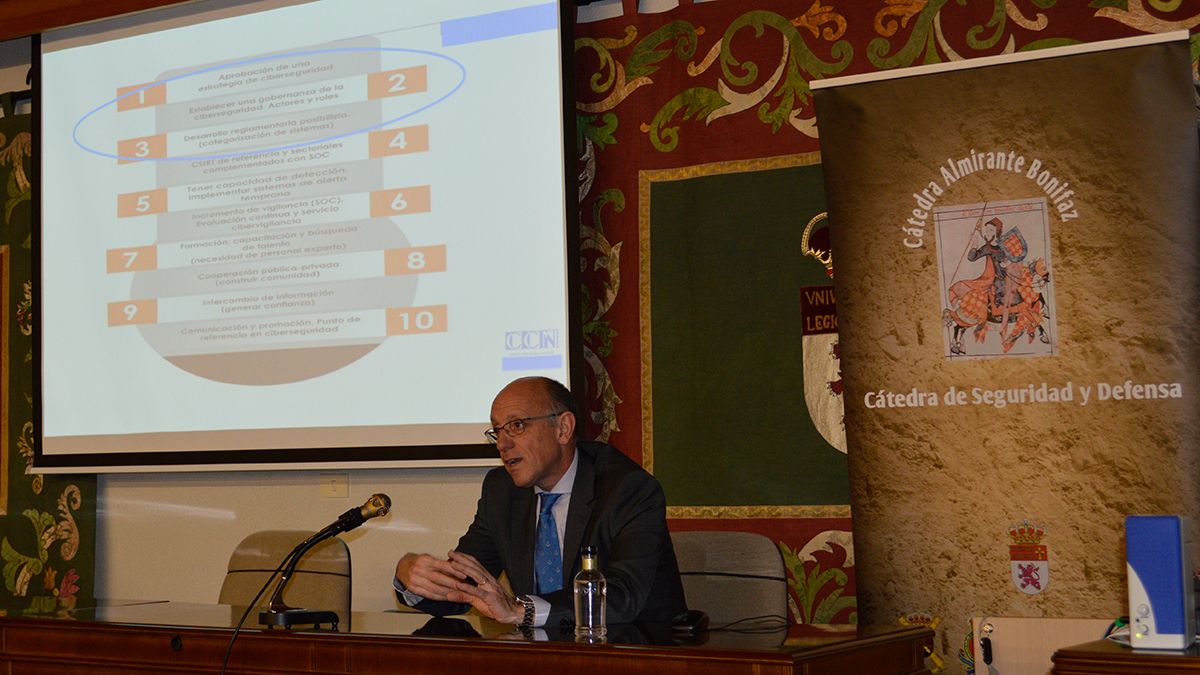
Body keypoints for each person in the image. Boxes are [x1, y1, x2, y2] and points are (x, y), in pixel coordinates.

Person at [392, 376, 687, 630]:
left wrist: (521, 610)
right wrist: (411, 577)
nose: (502, 444)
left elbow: (623, 596)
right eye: (497, 431)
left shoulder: (627, 489)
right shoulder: (502, 491)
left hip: (636, 652)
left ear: (563, 428)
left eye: (517, 425)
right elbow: (464, 588)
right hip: (543, 656)